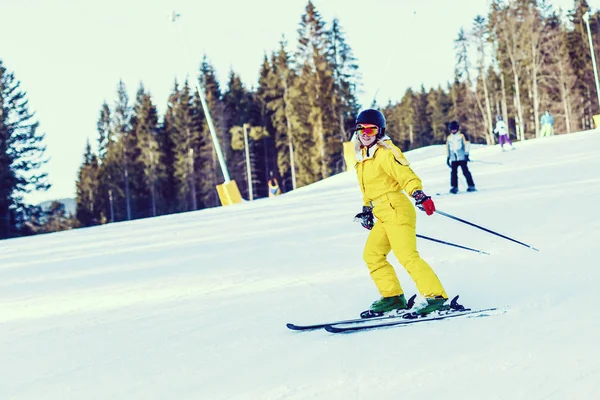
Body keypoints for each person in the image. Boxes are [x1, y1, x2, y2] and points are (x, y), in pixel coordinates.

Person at [351, 109, 451, 317]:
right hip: (382, 213)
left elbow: (405, 174)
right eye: (361, 128)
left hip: (396, 208)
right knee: (372, 255)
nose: (365, 133)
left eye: (371, 129)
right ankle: (392, 296)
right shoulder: (363, 158)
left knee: (407, 255)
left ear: (379, 131)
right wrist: (367, 209)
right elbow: (368, 188)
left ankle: (436, 297)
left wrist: (419, 194)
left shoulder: (386, 152)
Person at [446, 121, 476, 194]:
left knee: (465, 172)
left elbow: (467, 144)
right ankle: (454, 187)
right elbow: (448, 147)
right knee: (453, 173)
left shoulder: (462, 135)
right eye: (451, 129)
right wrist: (448, 157)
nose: (453, 130)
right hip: (453, 158)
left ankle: (471, 185)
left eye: (454, 129)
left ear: (457, 128)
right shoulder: (449, 138)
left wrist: (466, 154)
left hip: (462, 157)